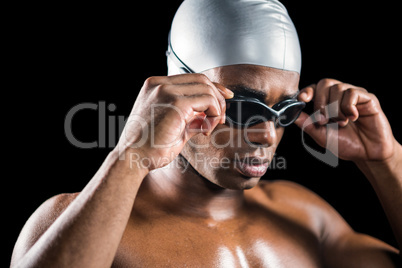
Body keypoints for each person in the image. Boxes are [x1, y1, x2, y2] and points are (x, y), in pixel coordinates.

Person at [11, 0, 401, 267]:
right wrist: (128, 158)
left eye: (285, 111)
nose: (267, 135)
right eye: (244, 108)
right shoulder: (76, 220)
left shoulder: (305, 218)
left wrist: (385, 161)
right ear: (177, 92)